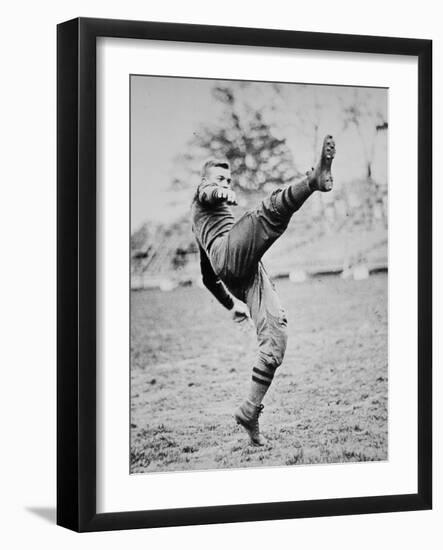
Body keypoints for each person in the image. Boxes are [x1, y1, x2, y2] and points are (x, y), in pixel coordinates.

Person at [191, 135, 336, 446]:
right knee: (265, 214)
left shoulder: (208, 224)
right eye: (219, 177)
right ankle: (312, 180)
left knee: (276, 336)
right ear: (204, 181)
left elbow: (207, 276)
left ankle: (249, 410)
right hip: (229, 255)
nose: (225, 182)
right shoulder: (203, 198)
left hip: (241, 272)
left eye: (228, 179)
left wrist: (231, 306)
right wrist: (220, 190)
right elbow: (208, 193)